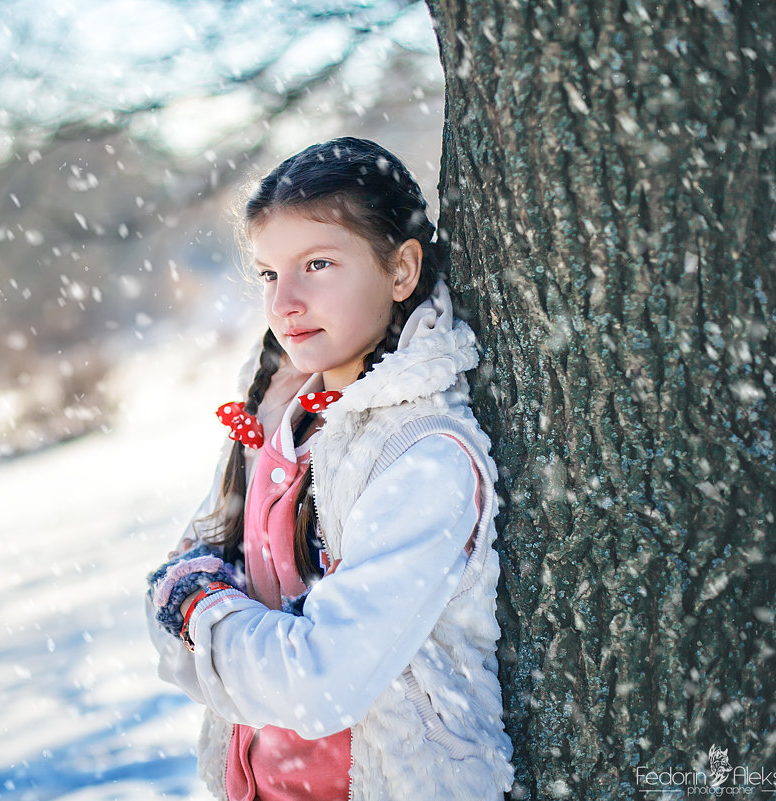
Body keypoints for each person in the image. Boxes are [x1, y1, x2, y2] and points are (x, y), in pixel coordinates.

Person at [145, 136, 514, 801]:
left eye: (316, 264)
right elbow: (176, 580)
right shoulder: (275, 414)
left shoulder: (422, 455)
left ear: (400, 270)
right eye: (267, 273)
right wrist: (201, 611)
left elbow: (320, 683)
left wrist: (202, 611)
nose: (283, 301)